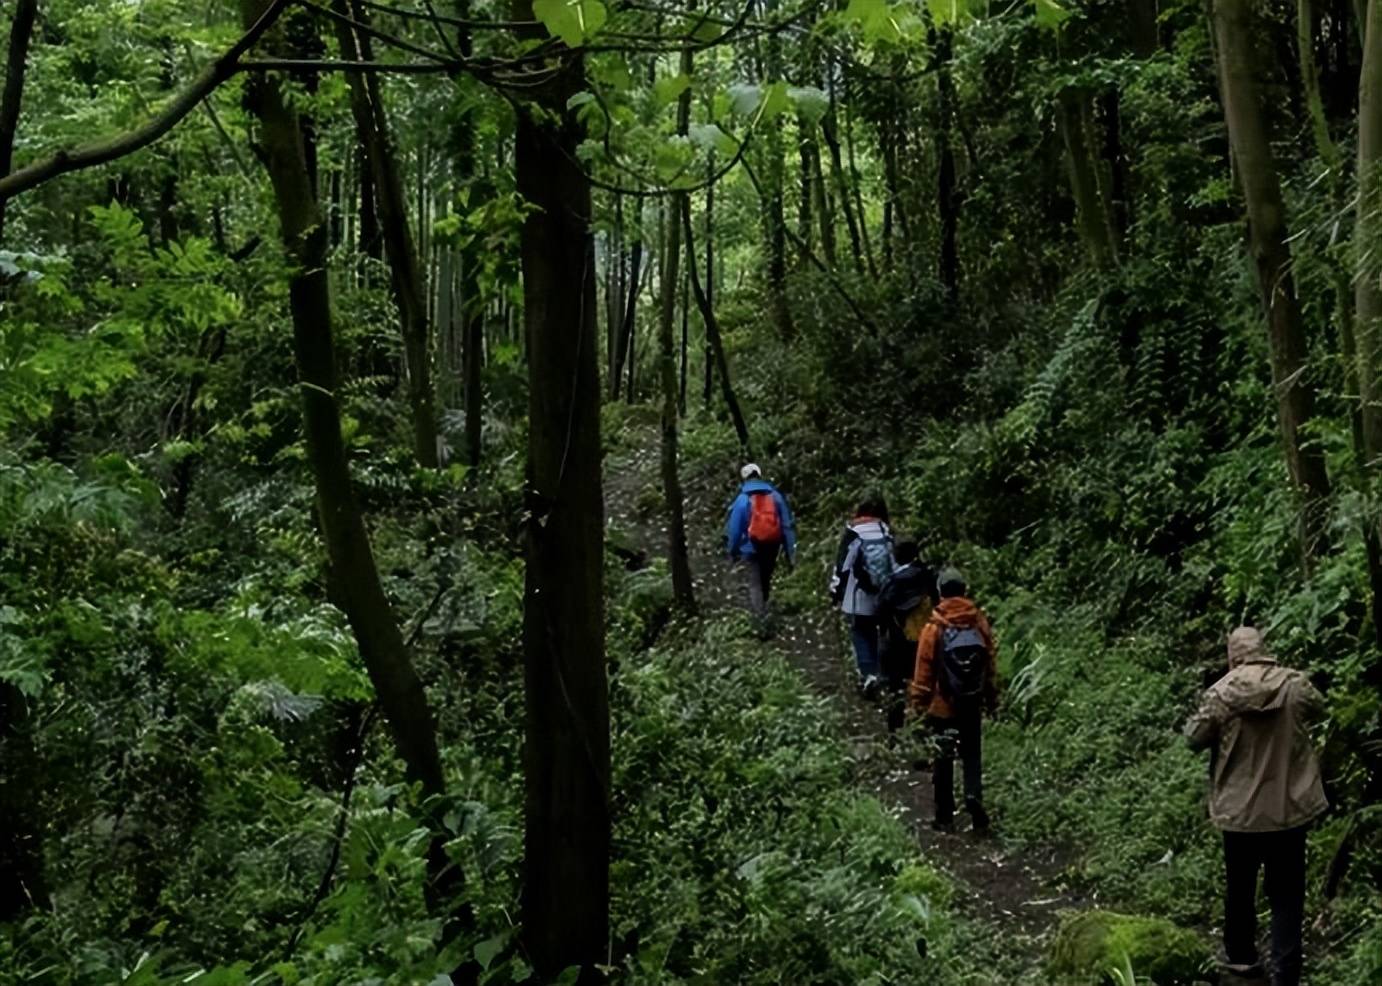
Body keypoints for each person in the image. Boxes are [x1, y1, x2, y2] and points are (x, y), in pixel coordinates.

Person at [1184, 626, 1327, 986]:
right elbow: (1321, 707)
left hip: (1240, 814)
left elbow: (1193, 739)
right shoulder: (1295, 685)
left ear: (1233, 656)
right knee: (1288, 892)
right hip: (1288, 809)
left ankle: (1242, 957)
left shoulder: (1221, 694)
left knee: (1240, 885)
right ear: (1264, 650)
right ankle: (1286, 970)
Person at [908, 568, 997, 832]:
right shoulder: (978, 622)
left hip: (942, 706)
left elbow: (923, 670)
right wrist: (991, 699)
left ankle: (945, 816)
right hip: (971, 702)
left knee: (943, 759)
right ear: (964, 590)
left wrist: (919, 704)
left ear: (940, 593)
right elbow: (990, 663)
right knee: (972, 754)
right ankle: (973, 797)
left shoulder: (934, 628)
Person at [830, 496, 895, 697]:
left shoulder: (854, 532)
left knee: (860, 633)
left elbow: (844, 565)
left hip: (858, 595)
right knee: (879, 634)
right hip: (884, 594)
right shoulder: (887, 531)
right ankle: (882, 674)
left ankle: (869, 676)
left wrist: (835, 590)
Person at [723, 463, 797, 620]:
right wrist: (791, 552)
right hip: (772, 545)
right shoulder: (775, 496)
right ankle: (765, 606)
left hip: (751, 547)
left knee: (754, 581)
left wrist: (732, 551)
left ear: (744, 480)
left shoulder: (742, 499)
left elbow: (735, 529)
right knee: (766, 577)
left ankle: (760, 618)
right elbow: (786, 525)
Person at [877, 541, 937, 733]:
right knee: (925, 684)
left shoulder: (893, 582)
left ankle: (895, 732)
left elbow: (881, 612)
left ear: (896, 557)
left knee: (895, 688)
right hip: (927, 641)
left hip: (897, 642)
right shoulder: (929, 578)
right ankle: (924, 729)